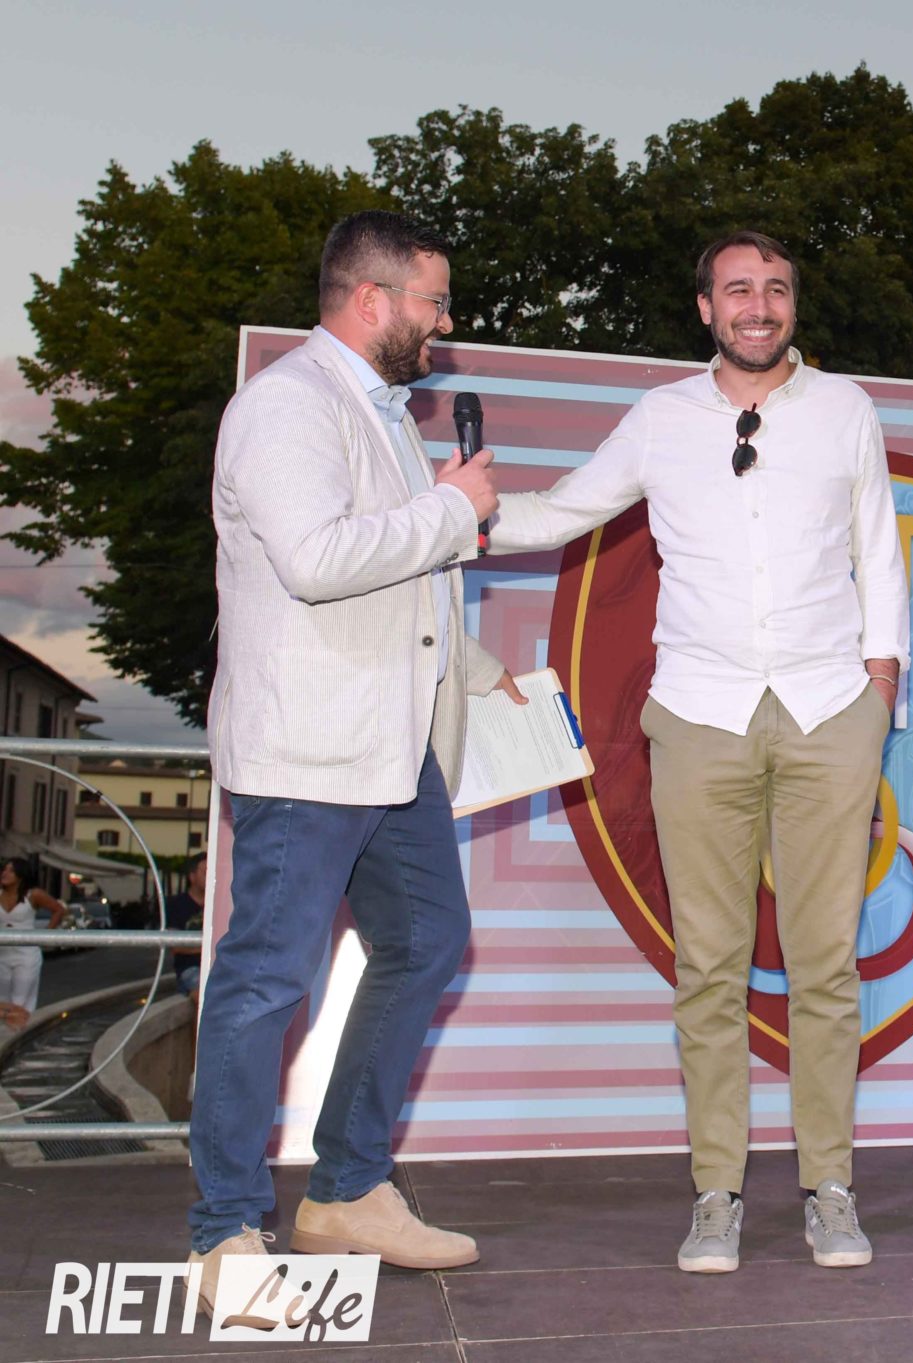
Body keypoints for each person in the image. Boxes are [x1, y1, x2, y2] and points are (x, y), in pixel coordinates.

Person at [488, 231, 907, 1274]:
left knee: (825, 965)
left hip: (828, 709)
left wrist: (881, 684)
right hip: (698, 712)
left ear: (792, 305)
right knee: (707, 967)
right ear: (705, 309)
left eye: (775, 288)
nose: (758, 305)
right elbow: (565, 511)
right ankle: (716, 1194)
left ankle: (830, 1189)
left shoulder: (845, 409)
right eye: (737, 289)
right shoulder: (662, 418)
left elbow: (877, 544)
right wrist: (464, 513)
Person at [192, 209, 519, 1322]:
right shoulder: (287, 404)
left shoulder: (381, 412)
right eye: (435, 301)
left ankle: (345, 1190)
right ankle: (225, 1229)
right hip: (305, 749)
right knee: (267, 980)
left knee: (426, 940)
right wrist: (452, 508)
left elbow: (403, 585)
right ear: (372, 300)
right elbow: (319, 559)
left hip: (389, 749)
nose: (444, 323)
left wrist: (478, 669)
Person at [0, 857, 61, 1019]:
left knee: (19, 1001)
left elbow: (58, 910)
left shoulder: (33, 895)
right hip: (2, 954)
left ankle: (20, 1030)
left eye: (11, 870)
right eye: (4, 869)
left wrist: (45, 935)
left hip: (26, 954)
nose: (5, 873)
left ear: (21, 875)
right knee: (3, 1001)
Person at [165, 854, 207, 996]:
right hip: (190, 968)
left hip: (216, 966)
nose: (211, 876)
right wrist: (210, 947)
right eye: (205, 872)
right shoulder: (177, 905)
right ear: (192, 876)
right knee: (202, 994)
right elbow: (176, 946)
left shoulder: (219, 903)